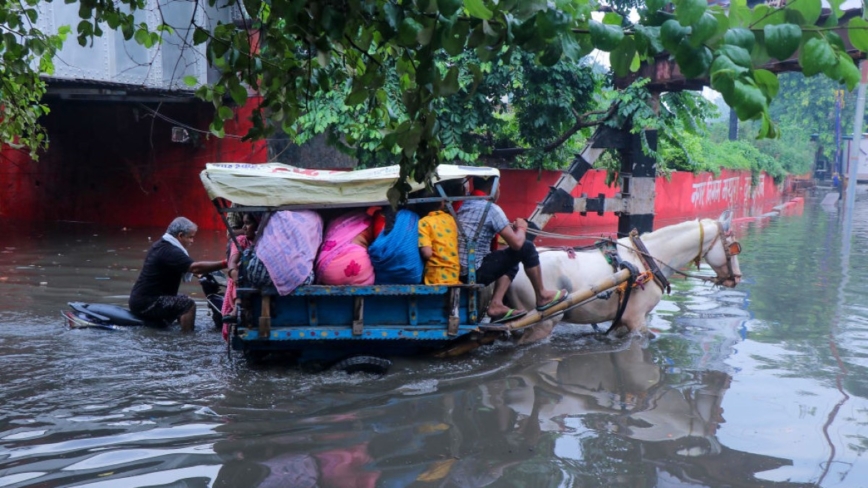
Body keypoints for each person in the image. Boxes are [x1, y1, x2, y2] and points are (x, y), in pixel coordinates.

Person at [456, 176, 567, 323]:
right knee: (526, 247)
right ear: (492, 188)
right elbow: (517, 244)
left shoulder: (464, 204)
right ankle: (542, 295)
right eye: (499, 187)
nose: (500, 191)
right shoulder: (492, 210)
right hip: (473, 272)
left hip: (459, 269)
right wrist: (521, 227)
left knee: (511, 255)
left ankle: (496, 303)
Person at [129, 216, 227, 332]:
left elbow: (185, 267)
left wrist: (202, 275)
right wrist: (225, 263)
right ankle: (186, 339)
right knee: (187, 305)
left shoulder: (163, 245)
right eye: (190, 237)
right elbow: (194, 268)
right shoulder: (169, 250)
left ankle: (177, 327)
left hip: (144, 299)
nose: (192, 241)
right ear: (180, 236)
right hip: (147, 303)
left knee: (183, 298)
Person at [222, 212, 262, 339]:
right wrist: (234, 273)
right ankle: (237, 307)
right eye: (243, 223)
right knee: (239, 272)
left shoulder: (267, 240)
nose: (244, 228)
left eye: (248, 224)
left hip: (259, 279)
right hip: (241, 280)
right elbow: (233, 262)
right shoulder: (241, 241)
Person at [417, 196, 461, 285]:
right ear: (442, 203)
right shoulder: (451, 219)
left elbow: (427, 253)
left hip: (435, 278)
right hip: (454, 275)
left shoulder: (424, 222)